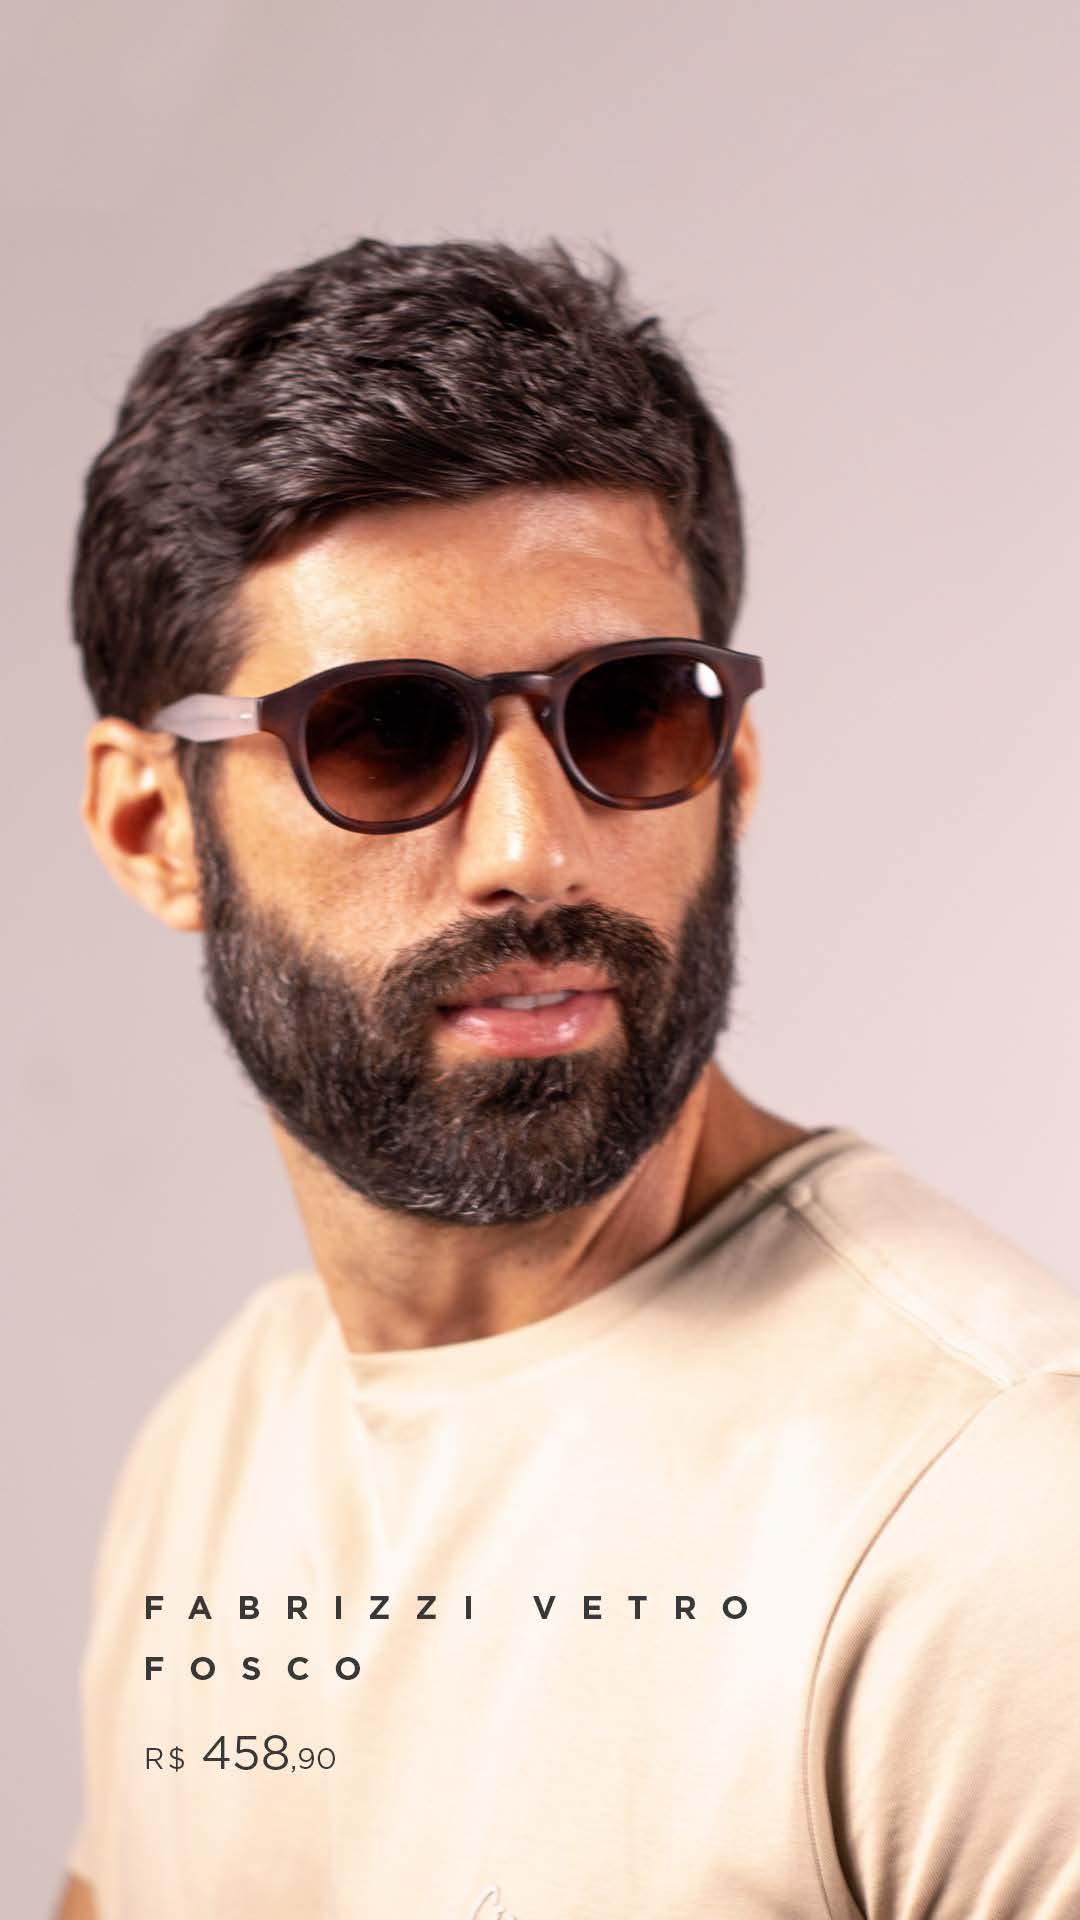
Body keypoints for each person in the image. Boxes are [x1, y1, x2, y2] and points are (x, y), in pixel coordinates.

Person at [57, 236, 1079, 1920]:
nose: (534, 851)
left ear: (734, 768)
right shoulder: (220, 1442)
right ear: (153, 824)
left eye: (628, 716)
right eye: (383, 734)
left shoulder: (995, 1523)